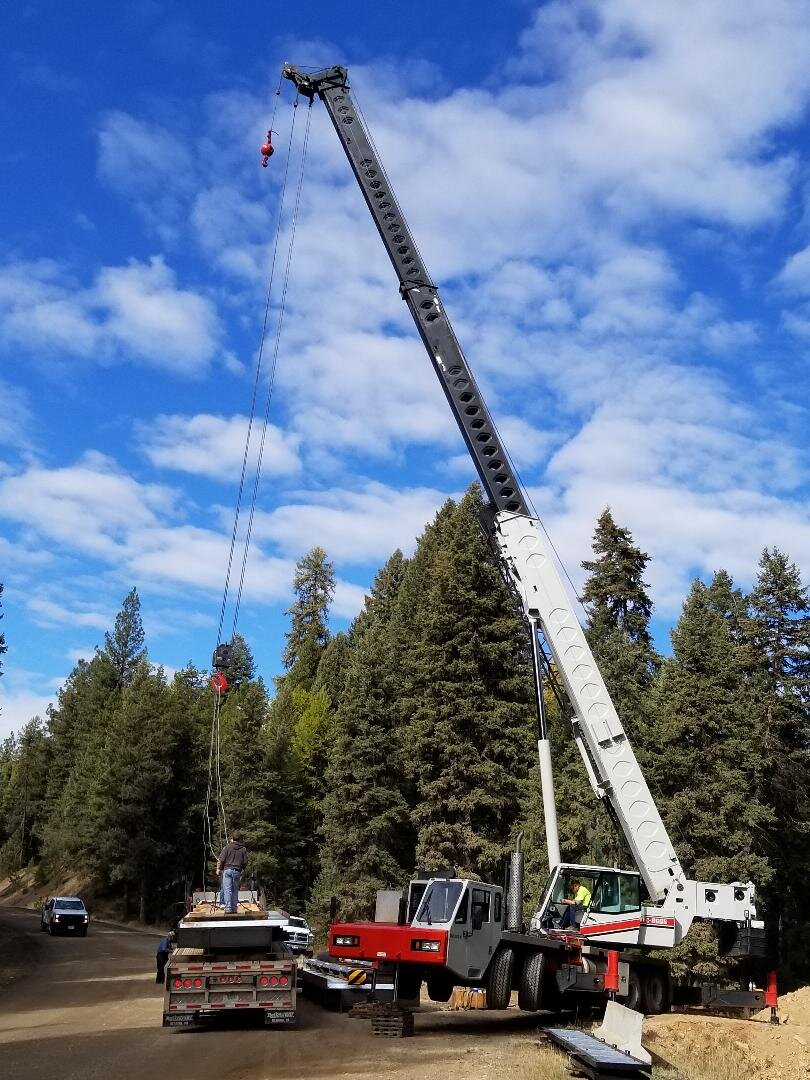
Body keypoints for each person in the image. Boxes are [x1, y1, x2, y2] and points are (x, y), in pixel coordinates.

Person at [217, 830, 248, 914]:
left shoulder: (227, 847)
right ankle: (234, 909)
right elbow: (245, 862)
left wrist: (219, 869)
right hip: (237, 871)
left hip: (227, 870)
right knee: (235, 890)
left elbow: (222, 859)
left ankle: (228, 909)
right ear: (240, 839)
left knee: (227, 890)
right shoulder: (243, 849)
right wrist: (243, 869)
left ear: (232, 838)